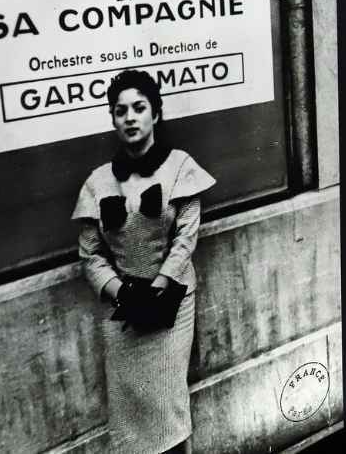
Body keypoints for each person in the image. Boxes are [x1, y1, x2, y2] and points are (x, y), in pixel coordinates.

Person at [74, 69, 215, 454]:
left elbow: (186, 237)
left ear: (156, 113)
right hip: (121, 309)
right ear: (113, 119)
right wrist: (122, 292)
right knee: (129, 411)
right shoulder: (98, 181)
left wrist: (159, 284)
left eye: (139, 108)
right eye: (121, 111)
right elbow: (90, 254)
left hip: (172, 304)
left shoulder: (180, 167)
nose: (130, 117)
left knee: (168, 402)